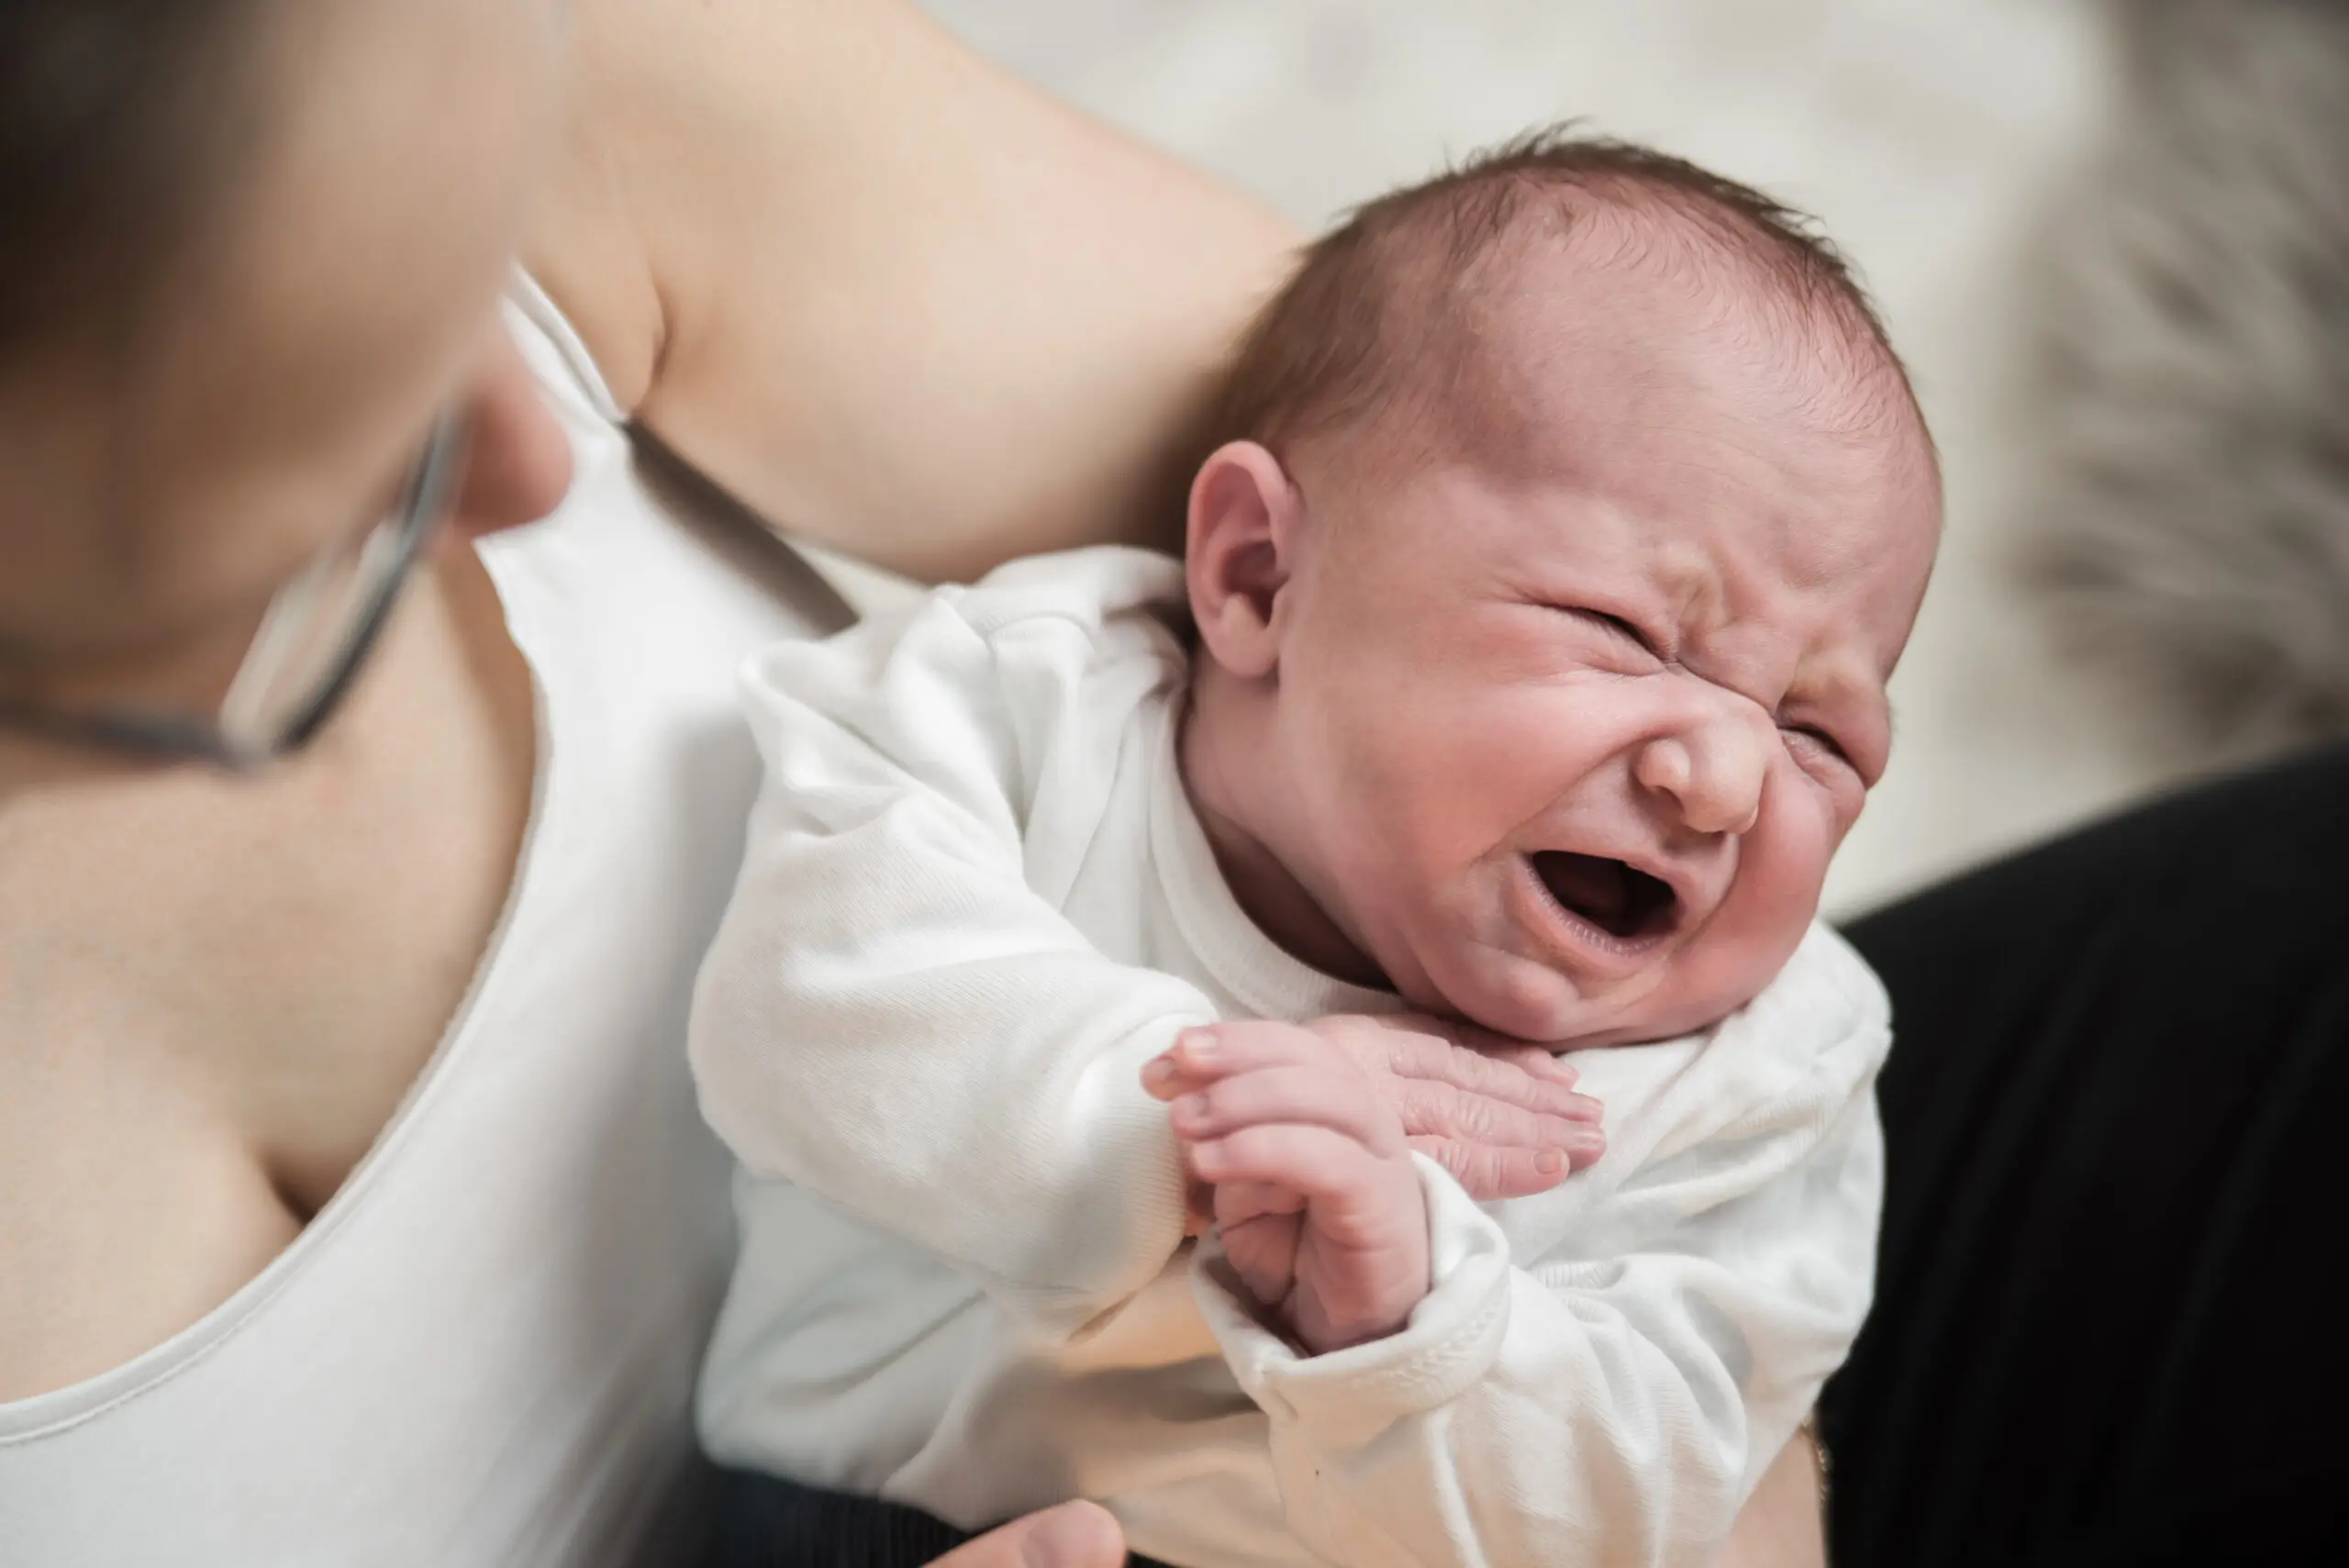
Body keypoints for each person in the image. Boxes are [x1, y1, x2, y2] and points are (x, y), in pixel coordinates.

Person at [0, 4, 1818, 1565]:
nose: (540, 461)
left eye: (455, 254)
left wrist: (1630, 1210)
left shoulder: (402, 55)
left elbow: (1530, 425)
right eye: (355, 473)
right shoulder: (981, 714)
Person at [685, 136, 1938, 1568]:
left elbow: (1662, 1483)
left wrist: (1410, 1319)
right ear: (1260, 577)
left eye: (1822, 737)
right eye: (1625, 633)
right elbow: (804, 1006)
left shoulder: (1772, 1070)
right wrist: (1184, 1125)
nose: (1722, 780)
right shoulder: (1014, 711)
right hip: (890, 1513)